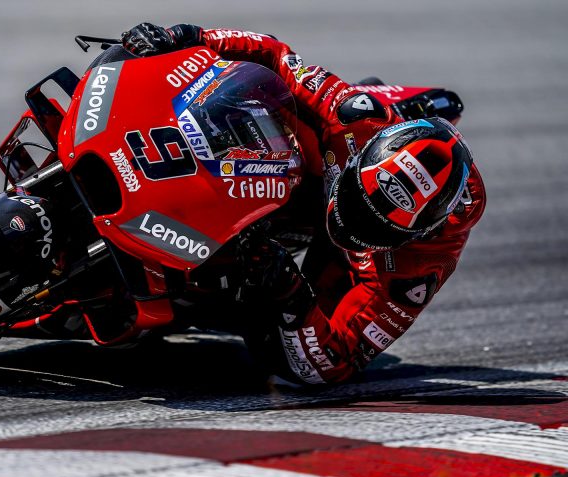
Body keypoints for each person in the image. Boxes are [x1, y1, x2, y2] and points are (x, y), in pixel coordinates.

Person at [120, 23, 486, 385]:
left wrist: (289, 293)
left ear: (418, 233)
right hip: (314, 164)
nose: (353, 223)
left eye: (376, 227)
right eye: (357, 202)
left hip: (342, 259)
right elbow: (274, 55)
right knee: (240, 95)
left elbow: (336, 362)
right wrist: (185, 37)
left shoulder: (418, 267)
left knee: (272, 351)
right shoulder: (354, 117)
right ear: (361, 158)